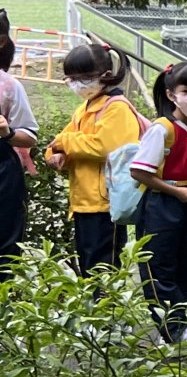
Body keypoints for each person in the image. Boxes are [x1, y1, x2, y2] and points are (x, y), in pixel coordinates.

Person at [132, 63, 187, 343]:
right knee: (159, 266)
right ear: (171, 95)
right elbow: (139, 171)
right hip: (160, 204)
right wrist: (176, 191)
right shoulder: (162, 129)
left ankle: (177, 328)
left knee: (185, 265)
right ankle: (173, 331)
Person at [46, 42, 143, 274]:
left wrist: (64, 144)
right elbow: (60, 142)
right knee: (90, 270)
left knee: (102, 271)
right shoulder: (85, 108)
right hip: (84, 203)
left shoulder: (116, 108)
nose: (77, 84)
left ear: (106, 75)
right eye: (72, 78)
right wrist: (56, 154)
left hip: (105, 204)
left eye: (85, 77)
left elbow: (104, 146)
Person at [0, 21, 40, 271]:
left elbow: (29, 136)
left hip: (3, 175)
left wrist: (8, 132)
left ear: (1, 41)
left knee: (4, 249)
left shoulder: (9, 86)